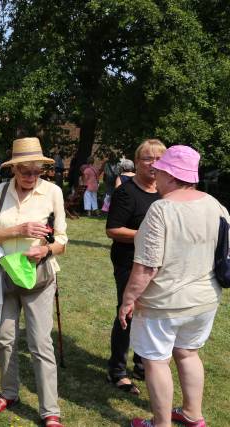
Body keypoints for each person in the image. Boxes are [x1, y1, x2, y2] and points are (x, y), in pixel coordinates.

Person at [119, 145, 227, 427]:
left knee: (156, 361)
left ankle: (161, 423)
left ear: (169, 174)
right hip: (204, 300)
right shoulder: (216, 205)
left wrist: (128, 300)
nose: (155, 175)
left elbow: (146, 267)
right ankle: (193, 415)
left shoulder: (161, 209)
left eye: (160, 170)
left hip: (164, 303)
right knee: (188, 353)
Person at [0, 137, 68, 427]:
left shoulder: (53, 193)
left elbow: (62, 240)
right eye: (25, 171)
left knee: (40, 344)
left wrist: (45, 248)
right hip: (6, 276)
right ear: (13, 169)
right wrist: (18, 229)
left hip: (39, 277)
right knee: (5, 339)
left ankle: (50, 410)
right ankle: (9, 393)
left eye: (37, 171)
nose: (31, 177)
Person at [105, 139, 166, 396]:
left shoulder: (166, 193)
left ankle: (142, 363)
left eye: (159, 159)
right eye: (147, 159)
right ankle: (117, 370)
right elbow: (113, 230)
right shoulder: (126, 192)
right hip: (129, 262)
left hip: (159, 264)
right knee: (127, 313)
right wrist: (146, 234)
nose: (153, 164)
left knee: (151, 313)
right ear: (137, 162)